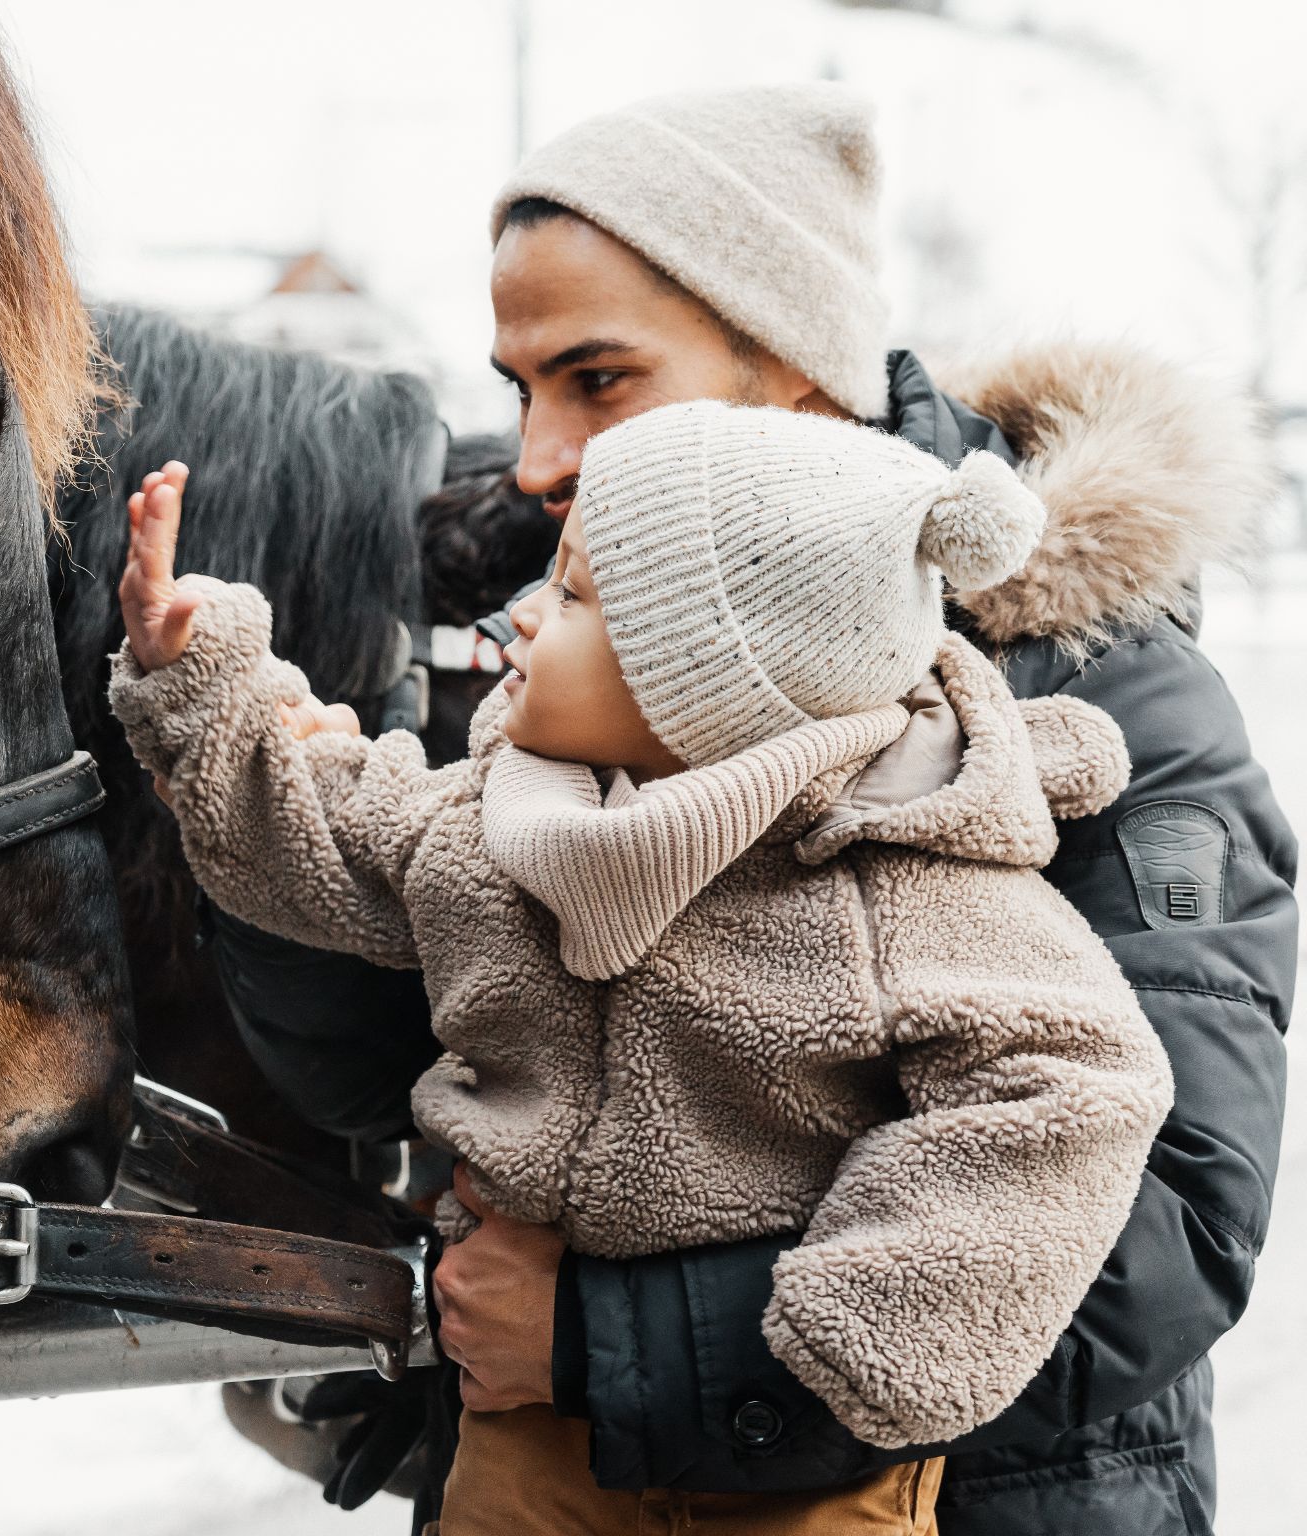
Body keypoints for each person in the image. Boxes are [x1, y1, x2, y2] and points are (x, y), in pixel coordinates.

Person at [207, 85, 1299, 1535]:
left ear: (794, 366)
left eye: (597, 380)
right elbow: (375, 1088)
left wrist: (601, 1345)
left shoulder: (1114, 702)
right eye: (519, 385)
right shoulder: (558, 654)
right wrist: (294, 813)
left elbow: (1168, 1226)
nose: (535, 456)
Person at [110, 401, 1175, 1535]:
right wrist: (198, 675)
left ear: (708, 683)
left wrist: (847, 1333)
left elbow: (1076, 1087)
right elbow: (329, 828)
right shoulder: (502, 824)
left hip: (789, 1479)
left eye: (571, 596)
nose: (520, 618)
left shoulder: (900, 884)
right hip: (519, 1436)